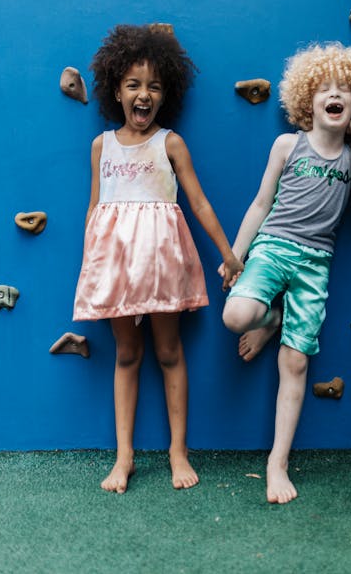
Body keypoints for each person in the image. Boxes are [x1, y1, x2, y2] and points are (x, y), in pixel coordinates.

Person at [73, 24, 243, 494]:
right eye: (133, 84)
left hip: (163, 264)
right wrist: (91, 267)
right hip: (115, 265)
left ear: (166, 92)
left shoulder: (170, 143)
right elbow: (95, 208)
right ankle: (124, 457)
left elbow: (200, 203)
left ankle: (177, 451)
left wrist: (229, 254)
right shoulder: (101, 146)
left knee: (169, 352)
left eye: (153, 85)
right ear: (115, 90)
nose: (143, 94)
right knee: (127, 354)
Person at [221, 42, 351, 505]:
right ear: (306, 101)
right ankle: (269, 320)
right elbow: (260, 202)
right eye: (324, 90)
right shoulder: (287, 144)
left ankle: (278, 463)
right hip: (272, 247)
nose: (334, 96)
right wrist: (237, 254)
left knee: (295, 363)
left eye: (345, 92)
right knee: (236, 316)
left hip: (316, 262)